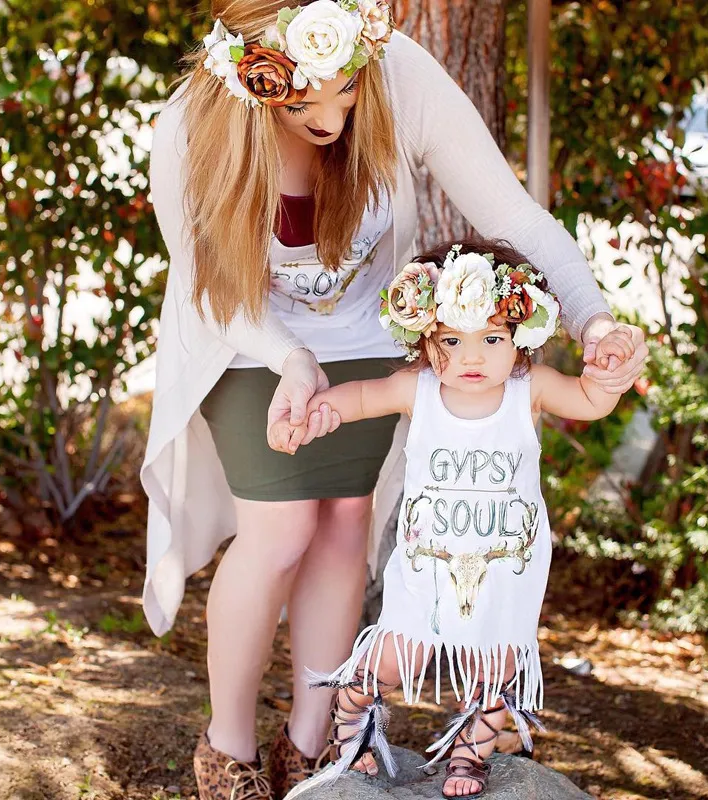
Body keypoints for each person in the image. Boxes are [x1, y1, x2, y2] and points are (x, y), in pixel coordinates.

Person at [142, 1, 649, 798]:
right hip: (247, 339)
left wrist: (593, 317)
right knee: (278, 530)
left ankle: (310, 747)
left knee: (346, 522)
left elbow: (510, 211)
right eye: (308, 99)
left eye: (348, 93)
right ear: (254, 71)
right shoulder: (188, 125)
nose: (335, 117)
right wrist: (293, 359)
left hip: (364, 340)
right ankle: (227, 748)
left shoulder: (402, 72)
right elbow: (207, 287)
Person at [272, 238, 637, 800]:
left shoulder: (528, 390)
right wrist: (321, 412)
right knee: (397, 656)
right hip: (428, 564)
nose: (471, 358)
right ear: (426, 339)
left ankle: (472, 754)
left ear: (521, 337)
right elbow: (364, 396)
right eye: (451, 341)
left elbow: (589, 400)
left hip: (503, 566)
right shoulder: (417, 390)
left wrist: (606, 375)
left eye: (491, 339)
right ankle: (352, 714)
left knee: (495, 664)